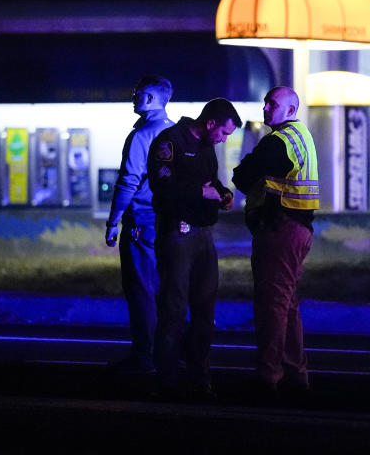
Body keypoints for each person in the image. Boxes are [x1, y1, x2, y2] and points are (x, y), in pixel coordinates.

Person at [148, 97, 242, 399]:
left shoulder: (206, 147)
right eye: (224, 133)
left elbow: (210, 179)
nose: (224, 139)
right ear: (211, 123)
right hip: (177, 231)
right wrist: (198, 192)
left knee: (205, 308)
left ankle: (199, 376)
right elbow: (160, 183)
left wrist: (222, 193)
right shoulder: (170, 141)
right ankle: (167, 379)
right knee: (174, 307)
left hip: (203, 234)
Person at [232, 86, 319, 397]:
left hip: (280, 229)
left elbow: (242, 176)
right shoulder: (302, 136)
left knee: (272, 306)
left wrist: (245, 174)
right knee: (288, 305)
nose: (266, 108)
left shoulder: (278, 141)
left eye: (273, 103)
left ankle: (269, 376)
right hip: (299, 229)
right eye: (265, 102)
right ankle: (296, 374)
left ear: (291, 110)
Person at [104, 75, 175, 374]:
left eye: (138, 93)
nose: (133, 97)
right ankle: (169, 355)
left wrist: (113, 221)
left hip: (142, 222)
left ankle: (144, 358)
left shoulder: (142, 135)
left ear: (150, 98)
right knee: (167, 290)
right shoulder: (175, 133)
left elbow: (128, 181)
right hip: (169, 222)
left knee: (142, 290)